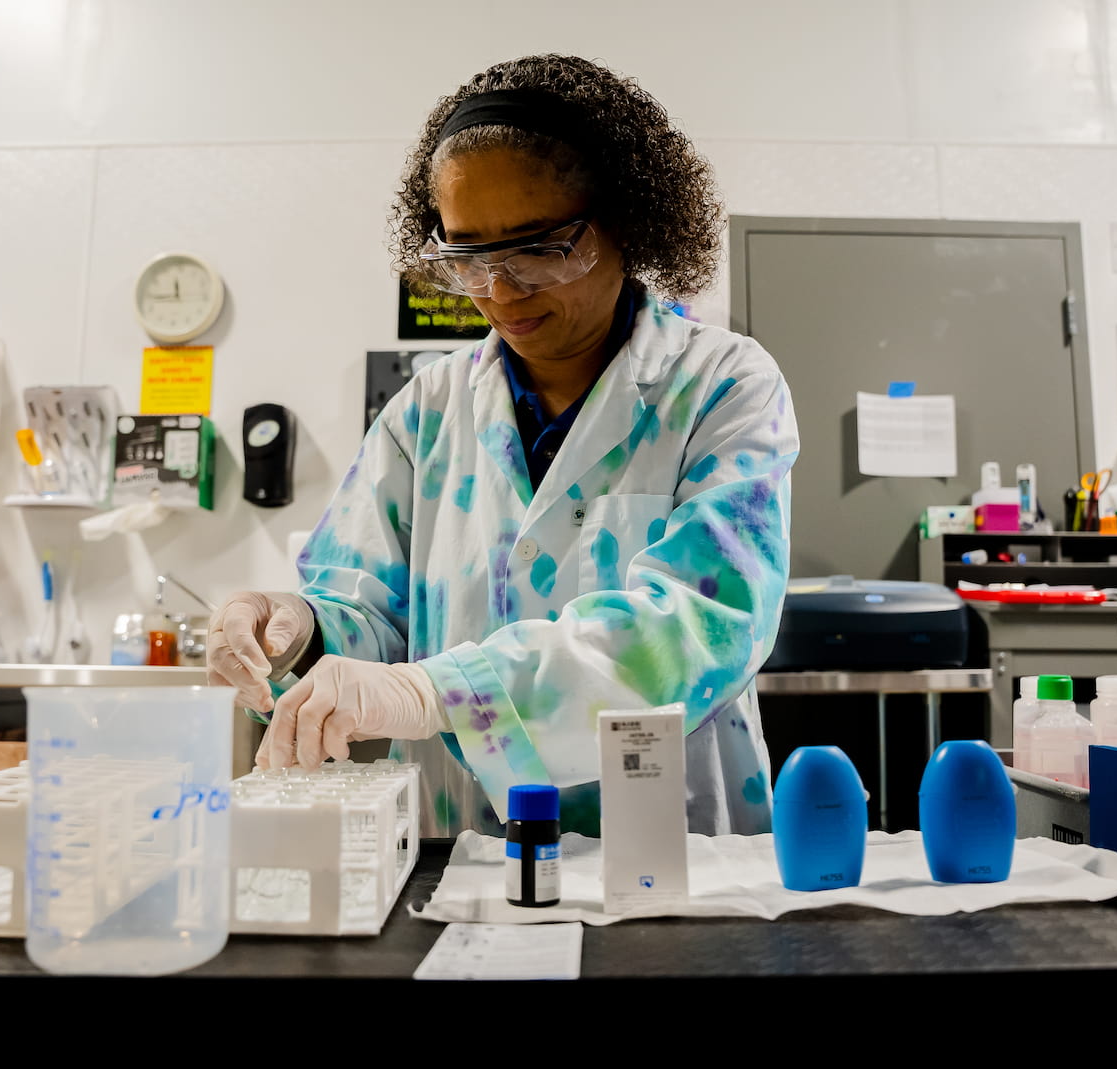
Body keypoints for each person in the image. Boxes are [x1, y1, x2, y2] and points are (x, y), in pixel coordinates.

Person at [208, 53, 799, 838]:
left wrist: (437, 693)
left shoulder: (722, 386)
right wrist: (296, 620)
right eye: (469, 256)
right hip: (461, 842)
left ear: (626, 220)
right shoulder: (428, 410)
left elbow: (695, 627)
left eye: (540, 247)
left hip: (664, 838)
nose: (500, 289)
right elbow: (369, 609)